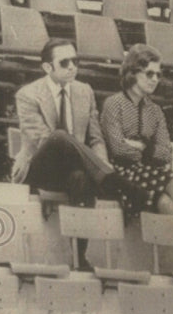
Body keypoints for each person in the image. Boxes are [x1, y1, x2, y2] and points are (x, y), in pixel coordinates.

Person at [11, 38, 139, 271]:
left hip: (74, 169)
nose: (72, 67)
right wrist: (100, 167)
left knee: (81, 177)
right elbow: (42, 140)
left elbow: (96, 139)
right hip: (41, 168)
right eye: (64, 62)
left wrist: (98, 162)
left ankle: (80, 258)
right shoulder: (28, 95)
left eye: (75, 61)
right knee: (58, 136)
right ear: (47, 67)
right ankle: (114, 180)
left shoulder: (84, 91)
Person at [100, 44, 173, 274]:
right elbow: (117, 149)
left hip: (150, 172)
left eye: (158, 74)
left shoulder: (155, 111)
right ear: (132, 73)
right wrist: (147, 149)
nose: (155, 79)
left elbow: (165, 152)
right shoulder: (113, 104)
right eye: (149, 73)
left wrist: (139, 147)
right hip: (121, 175)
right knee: (165, 202)